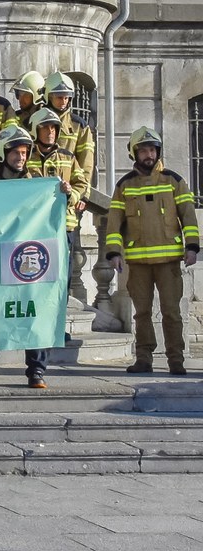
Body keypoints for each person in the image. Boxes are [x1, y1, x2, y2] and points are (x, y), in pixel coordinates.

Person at [107, 126, 198, 377]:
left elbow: (189, 218)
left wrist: (192, 247)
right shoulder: (124, 185)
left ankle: (176, 360)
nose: (149, 154)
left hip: (169, 262)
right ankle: (143, 359)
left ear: (158, 152)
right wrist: (114, 253)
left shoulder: (174, 181)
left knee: (172, 312)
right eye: (143, 150)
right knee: (142, 313)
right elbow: (114, 223)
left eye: (152, 150)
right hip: (138, 263)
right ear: (134, 153)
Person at [0, 125, 44, 388]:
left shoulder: (38, 183)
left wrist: (65, 192)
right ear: (4, 153)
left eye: (25, 153)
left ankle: (36, 371)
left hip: (27, 259)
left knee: (33, 313)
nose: (21, 158)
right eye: (16, 152)